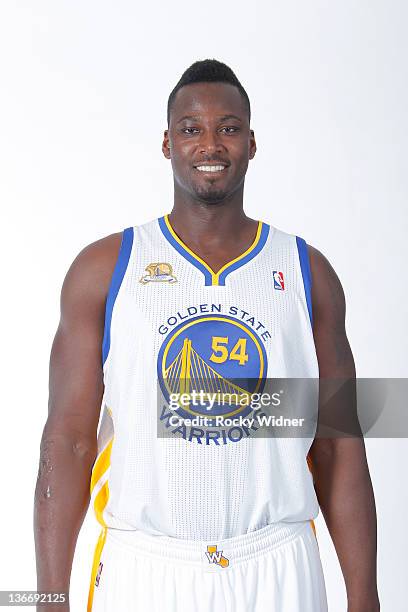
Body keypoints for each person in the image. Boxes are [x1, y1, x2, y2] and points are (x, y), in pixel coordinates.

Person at [34, 59, 380, 612]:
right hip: (146, 568)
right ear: (168, 144)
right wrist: (48, 598)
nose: (211, 144)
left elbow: (340, 441)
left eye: (229, 127)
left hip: (279, 564)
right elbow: (68, 441)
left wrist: (365, 595)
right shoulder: (106, 269)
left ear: (252, 142)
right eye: (191, 129)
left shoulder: (307, 271)